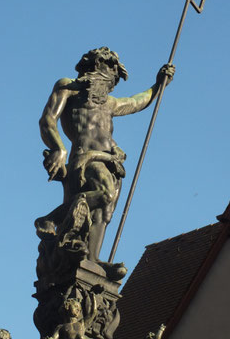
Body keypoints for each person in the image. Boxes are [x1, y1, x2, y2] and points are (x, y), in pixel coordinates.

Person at [37, 47, 175, 264]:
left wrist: (158, 85)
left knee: (105, 212)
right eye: (112, 72)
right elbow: (47, 121)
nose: (113, 80)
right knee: (105, 194)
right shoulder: (68, 87)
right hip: (85, 156)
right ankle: (49, 219)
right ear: (97, 64)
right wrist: (59, 149)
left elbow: (136, 102)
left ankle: (93, 260)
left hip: (111, 160)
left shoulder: (109, 103)